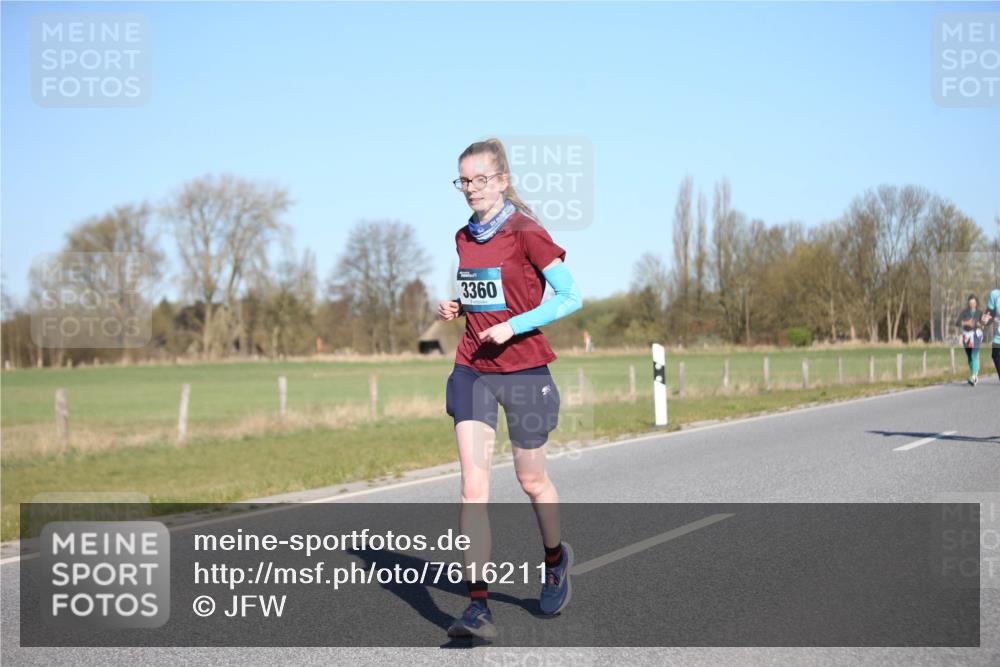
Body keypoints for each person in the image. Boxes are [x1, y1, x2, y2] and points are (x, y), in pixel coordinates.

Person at [437, 138, 583, 641]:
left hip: (523, 371)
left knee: (530, 480)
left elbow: (569, 296)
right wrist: (461, 305)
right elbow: (488, 290)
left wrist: (515, 325)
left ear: (501, 181)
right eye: (464, 181)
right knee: (473, 488)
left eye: (480, 179)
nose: (471, 189)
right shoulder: (462, 237)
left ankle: (555, 559)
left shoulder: (527, 232)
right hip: (472, 368)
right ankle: (478, 607)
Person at [957, 294, 983, 385]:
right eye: (970, 302)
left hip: (976, 335)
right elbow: (957, 323)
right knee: (969, 357)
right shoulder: (964, 312)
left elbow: (983, 323)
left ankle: (974, 376)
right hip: (966, 336)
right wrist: (966, 322)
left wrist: (979, 324)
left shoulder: (980, 312)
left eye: (974, 302)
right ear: (968, 303)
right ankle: (974, 374)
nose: (972, 304)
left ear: (976, 303)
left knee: (973, 355)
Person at [982, 288, 1000, 382]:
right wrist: (985, 320)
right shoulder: (995, 294)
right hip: (998, 337)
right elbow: (989, 314)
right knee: (995, 354)